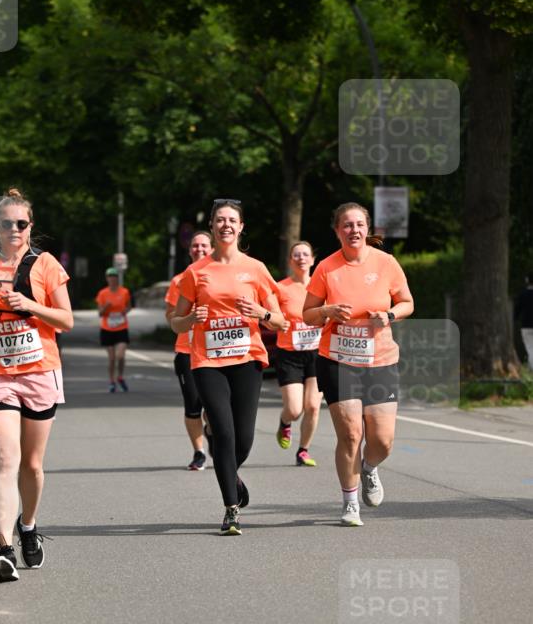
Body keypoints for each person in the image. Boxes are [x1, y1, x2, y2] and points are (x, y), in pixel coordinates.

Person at [0, 188, 73, 582]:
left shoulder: (46, 264)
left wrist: (31, 306)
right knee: (6, 461)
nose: (14, 230)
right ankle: (4, 549)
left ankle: (28, 525)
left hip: (40, 372)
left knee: (33, 465)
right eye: (7, 224)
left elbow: (66, 320)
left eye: (21, 224)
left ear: (30, 226)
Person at [172, 199, 286, 535]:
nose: (226, 225)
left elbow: (280, 321)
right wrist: (191, 318)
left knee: (244, 440)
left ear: (241, 226)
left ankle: (229, 469)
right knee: (223, 432)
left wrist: (261, 313)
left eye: (232, 220)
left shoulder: (256, 268)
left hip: (247, 359)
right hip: (207, 361)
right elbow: (176, 322)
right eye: (220, 220)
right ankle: (231, 509)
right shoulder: (197, 272)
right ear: (211, 225)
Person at [302, 202, 414, 527]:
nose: (354, 230)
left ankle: (369, 468)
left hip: (380, 359)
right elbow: (306, 313)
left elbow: (407, 302)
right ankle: (350, 502)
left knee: (382, 440)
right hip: (338, 360)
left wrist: (389, 314)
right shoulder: (326, 268)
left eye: (359, 224)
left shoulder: (386, 263)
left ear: (368, 229)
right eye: (347, 225)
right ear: (337, 230)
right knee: (351, 434)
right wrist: (326, 312)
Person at [273, 241, 324, 467]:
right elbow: (270, 317)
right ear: (290, 261)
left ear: (313, 259)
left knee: (313, 406)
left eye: (305, 254)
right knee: (295, 409)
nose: (301, 258)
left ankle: (303, 450)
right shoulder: (281, 288)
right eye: (296, 255)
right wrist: (277, 324)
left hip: (318, 353)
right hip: (289, 354)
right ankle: (285, 422)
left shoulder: (324, 286)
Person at [165, 230, 213, 470]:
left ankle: (212, 430)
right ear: (189, 249)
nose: (199, 249)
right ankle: (199, 452)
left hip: (215, 352)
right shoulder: (179, 280)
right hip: (187, 351)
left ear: (212, 248)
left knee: (214, 407)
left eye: (204, 245)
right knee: (193, 406)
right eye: (195, 246)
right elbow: (170, 317)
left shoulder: (221, 275)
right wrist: (189, 318)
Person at [96, 267, 132, 392]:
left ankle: (120, 376)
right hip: (107, 328)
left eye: (114, 276)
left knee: (120, 355)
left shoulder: (124, 292)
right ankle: (112, 381)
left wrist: (124, 311)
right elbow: (100, 313)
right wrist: (106, 307)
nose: (112, 279)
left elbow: (129, 306)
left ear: (117, 278)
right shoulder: (102, 294)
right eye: (110, 277)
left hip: (121, 327)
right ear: (107, 279)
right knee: (111, 358)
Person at [514, 275, 533, 371]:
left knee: (530, 348)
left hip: (526, 325)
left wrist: (515, 319)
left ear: (527, 281)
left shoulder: (523, 294)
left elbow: (517, 309)